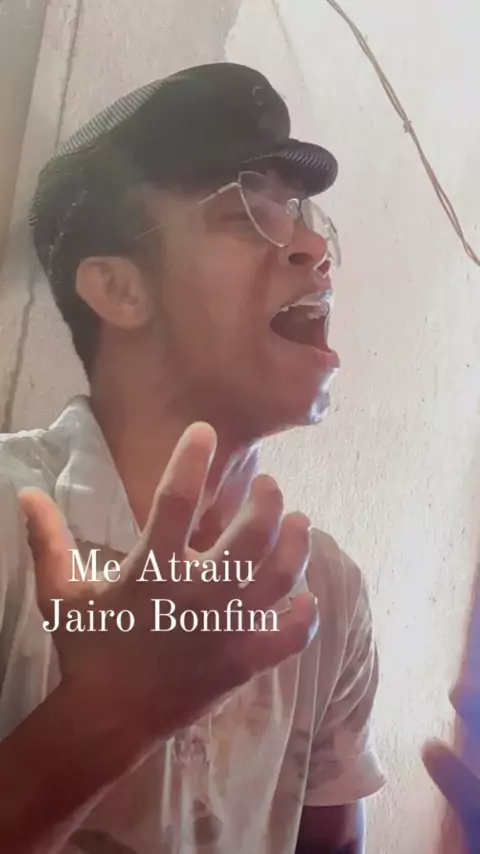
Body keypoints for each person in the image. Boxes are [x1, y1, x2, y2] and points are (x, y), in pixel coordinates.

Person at [0, 63, 386, 853]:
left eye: (302, 214)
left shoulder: (327, 593)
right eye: (247, 214)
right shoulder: (9, 530)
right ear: (119, 290)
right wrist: (108, 715)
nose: (314, 247)